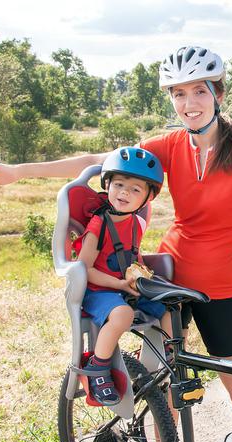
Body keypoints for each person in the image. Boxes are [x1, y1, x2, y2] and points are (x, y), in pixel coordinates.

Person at [0, 45, 232, 442]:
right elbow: (98, 160)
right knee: (161, 389)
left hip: (221, 287)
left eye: (199, 91)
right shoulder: (170, 145)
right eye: (178, 94)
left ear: (218, 94)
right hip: (164, 279)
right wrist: (19, 172)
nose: (189, 104)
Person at [76, 146, 166, 406]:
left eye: (135, 189)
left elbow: (133, 257)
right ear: (107, 185)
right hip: (97, 290)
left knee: (169, 304)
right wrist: (119, 284)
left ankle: (166, 354)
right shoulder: (99, 224)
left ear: (147, 198)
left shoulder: (136, 224)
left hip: (123, 287)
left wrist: (140, 282)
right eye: (118, 184)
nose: (124, 192)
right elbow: (85, 268)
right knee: (122, 314)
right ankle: (98, 367)